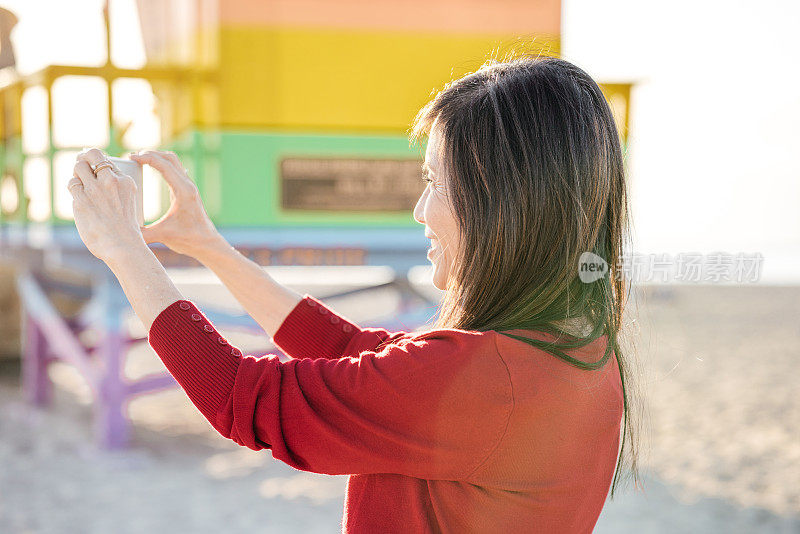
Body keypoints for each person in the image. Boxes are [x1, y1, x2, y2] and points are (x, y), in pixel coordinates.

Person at [67, 54, 641, 533]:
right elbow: (353, 351)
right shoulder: (579, 348)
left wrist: (124, 250)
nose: (419, 210)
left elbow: (247, 401)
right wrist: (209, 247)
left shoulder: (488, 379)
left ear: (503, 205)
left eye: (436, 183)